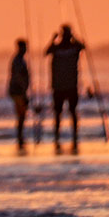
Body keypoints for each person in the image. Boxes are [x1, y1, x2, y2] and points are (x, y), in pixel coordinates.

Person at [44, 24, 85, 153]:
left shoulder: (72, 48)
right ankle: (59, 136)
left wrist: (73, 37)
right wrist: (53, 39)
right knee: (59, 113)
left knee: (70, 112)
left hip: (69, 86)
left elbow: (83, 47)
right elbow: (46, 52)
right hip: (60, 87)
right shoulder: (59, 48)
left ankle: (73, 136)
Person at [6, 37, 31, 150]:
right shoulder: (18, 60)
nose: (26, 49)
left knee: (21, 115)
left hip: (18, 91)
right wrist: (24, 91)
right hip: (18, 91)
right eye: (24, 47)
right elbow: (18, 77)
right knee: (21, 115)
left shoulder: (19, 59)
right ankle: (20, 137)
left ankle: (20, 136)